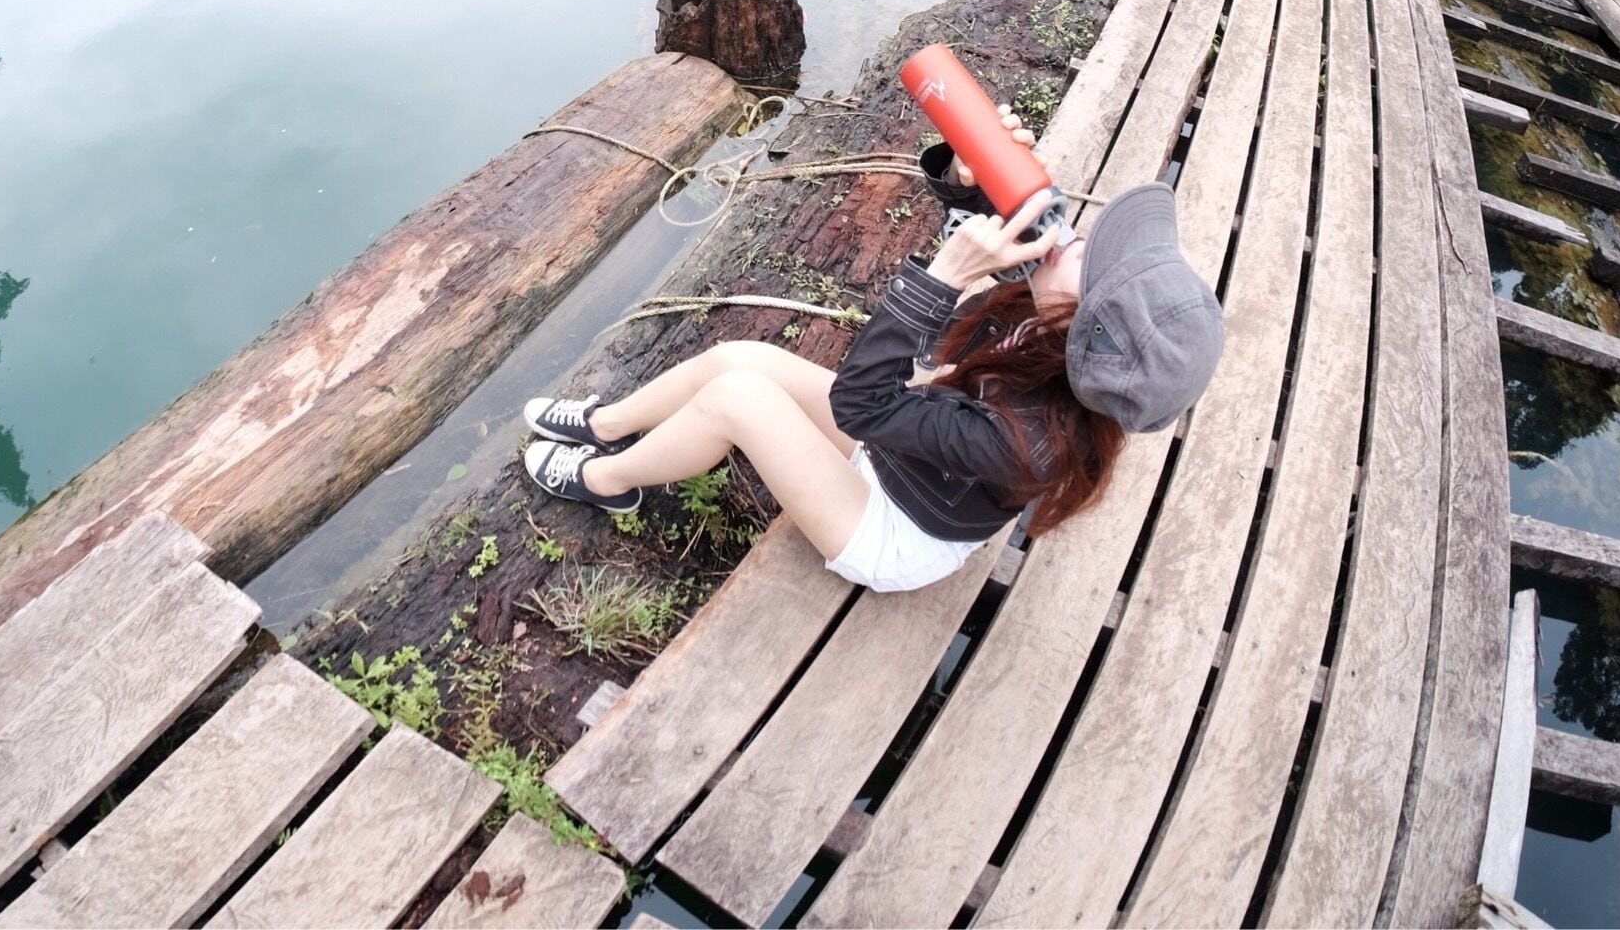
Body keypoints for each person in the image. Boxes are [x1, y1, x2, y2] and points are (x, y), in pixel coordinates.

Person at [519, 118, 1227, 594]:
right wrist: (968, 170)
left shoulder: (1031, 443)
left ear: (1084, 330)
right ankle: (607, 423)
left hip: (899, 527)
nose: (1076, 239)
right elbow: (989, 228)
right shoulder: (1048, 325)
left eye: (1089, 261)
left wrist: (941, 282)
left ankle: (609, 480)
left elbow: (859, 405)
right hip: (911, 458)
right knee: (741, 356)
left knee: (740, 398)